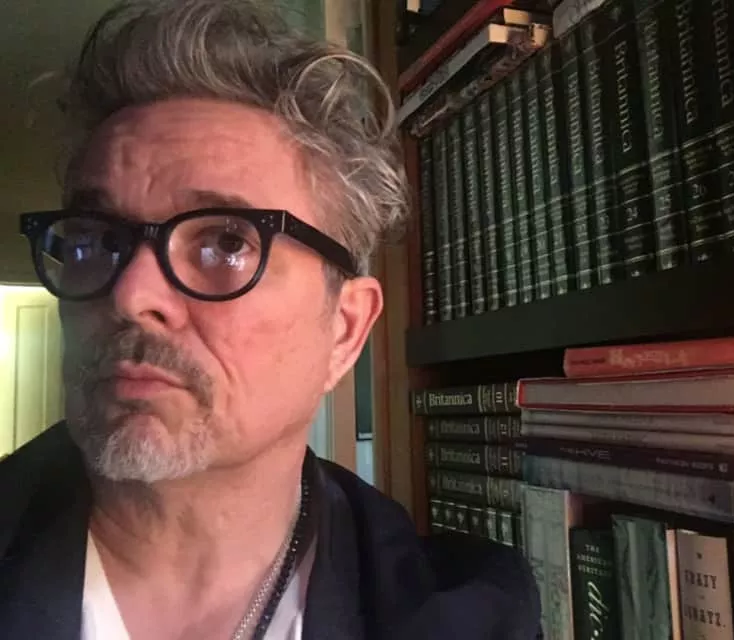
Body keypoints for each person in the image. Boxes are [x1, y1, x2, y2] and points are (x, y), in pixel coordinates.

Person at [0, 0, 540, 638]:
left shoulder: (471, 617)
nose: (130, 294)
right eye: (94, 240)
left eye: (226, 244)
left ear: (344, 329)